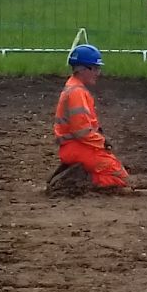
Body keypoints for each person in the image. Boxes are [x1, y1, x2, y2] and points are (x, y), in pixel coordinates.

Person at [54, 44, 131, 192]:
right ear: (81, 69)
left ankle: (79, 175)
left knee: (115, 171)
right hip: (77, 147)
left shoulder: (75, 88)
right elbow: (81, 132)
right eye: (95, 68)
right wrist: (102, 142)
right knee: (121, 179)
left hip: (75, 146)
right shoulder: (77, 93)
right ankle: (75, 180)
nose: (98, 72)